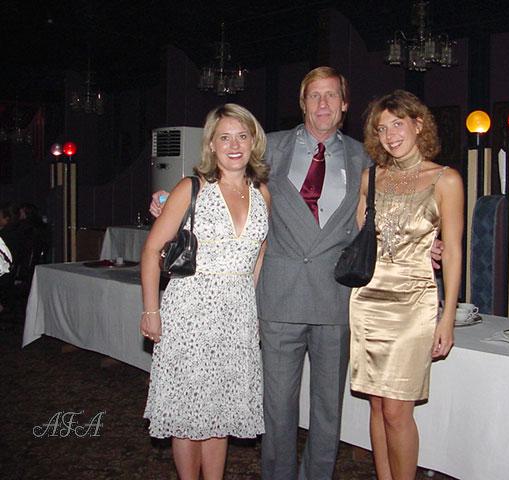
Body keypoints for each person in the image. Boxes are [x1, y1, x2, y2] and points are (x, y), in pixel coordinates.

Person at [150, 67, 442, 479]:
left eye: (331, 95)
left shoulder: (365, 158)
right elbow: (220, 176)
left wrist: (425, 241)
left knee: (327, 411)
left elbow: (393, 209)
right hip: (278, 297)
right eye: (314, 95)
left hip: (335, 299)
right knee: (276, 408)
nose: (322, 104)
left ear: (344, 104)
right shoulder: (269, 146)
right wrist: (168, 198)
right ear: (302, 103)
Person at [140, 103, 270, 480]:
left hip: (236, 317)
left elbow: (259, 254)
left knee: (220, 410)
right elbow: (151, 250)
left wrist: (249, 308)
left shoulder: (262, 193)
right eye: (224, 137)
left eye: (242, 136)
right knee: (187, 410)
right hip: (189, 311)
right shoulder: (191, 188)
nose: (234, 145)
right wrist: (151, 311)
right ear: (211, 144)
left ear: (253, 142)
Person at [349, 90, 463, 480]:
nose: (390, 135)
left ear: (418, 123)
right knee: (378, 406)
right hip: (367, 301)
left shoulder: (445, 179)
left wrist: (447, 317)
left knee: (398, 410)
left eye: (397, 124)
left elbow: (454, 251)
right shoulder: (371, 178)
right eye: (382, 128)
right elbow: (364, 238)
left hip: (413, 303)